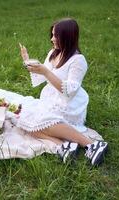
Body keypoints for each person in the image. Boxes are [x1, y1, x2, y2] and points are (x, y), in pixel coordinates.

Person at [18, 18, 108, 165]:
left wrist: (46, 72)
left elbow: (69, 91)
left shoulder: (78, 60)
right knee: (24, 122)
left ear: (68, 37)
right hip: (50, 99)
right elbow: (40, 78)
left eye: (56, 35)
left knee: (41, 120)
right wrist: (27, 60)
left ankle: (92, 144)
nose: (52, 39)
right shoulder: (53, 53)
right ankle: (64, 146)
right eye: (52, 34)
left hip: (69, 104)